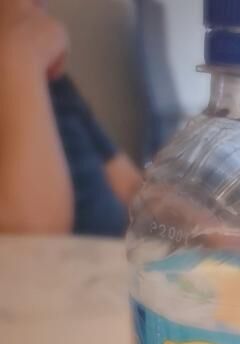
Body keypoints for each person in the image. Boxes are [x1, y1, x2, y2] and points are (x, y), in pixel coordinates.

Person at [0, 0, 142, 237]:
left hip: (113, 253)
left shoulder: (56, 85)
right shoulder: (25, 59)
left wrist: (201, 226)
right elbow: (30, 237)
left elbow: (129, 186)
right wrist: (22, 53)